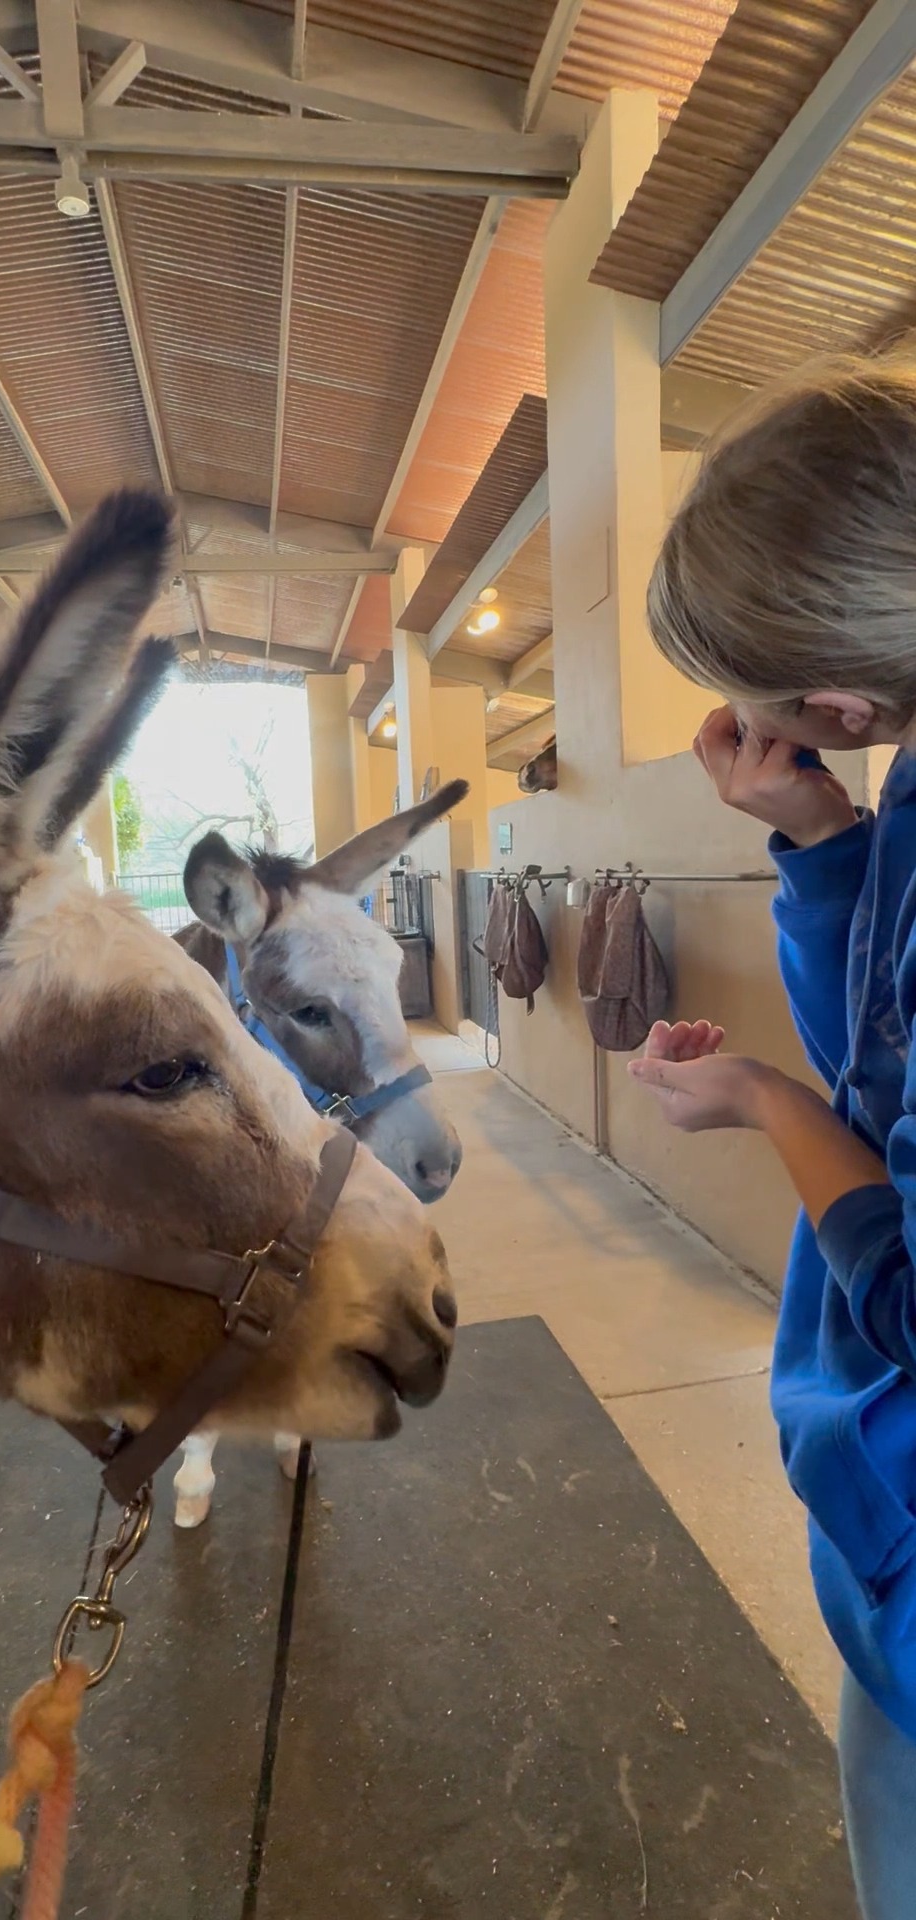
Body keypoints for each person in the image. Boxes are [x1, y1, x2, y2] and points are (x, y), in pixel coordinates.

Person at [630, 350, 916, 1920]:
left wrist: (765, 1105)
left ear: (844, 705)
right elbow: (891, 1049)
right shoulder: (907, 768)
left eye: (763, 710)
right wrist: (817, 835)